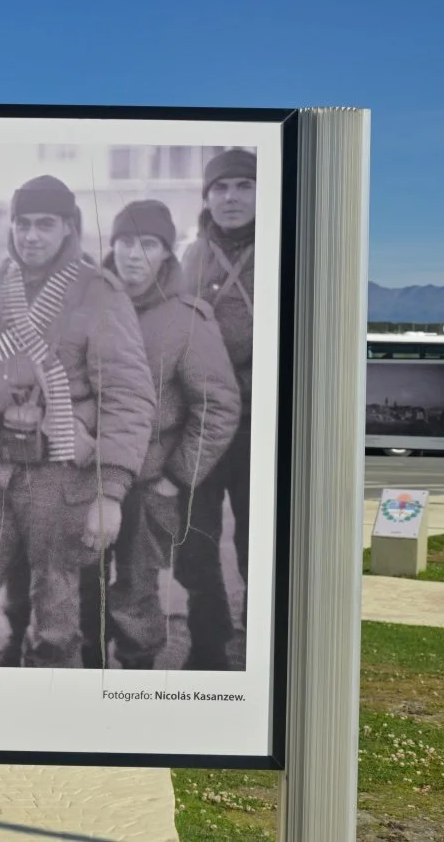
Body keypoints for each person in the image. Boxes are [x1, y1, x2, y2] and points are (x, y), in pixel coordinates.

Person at [0, 175, 157, 669]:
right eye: (22, 224)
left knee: (56, 627)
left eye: (44, 225)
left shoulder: (98, 292)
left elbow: (129, 396)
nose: (31, 235)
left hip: (60, 475)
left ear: (67, 228)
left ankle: (44, 730)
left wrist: (111, 492)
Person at [77, 199, 242, 669]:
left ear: (167, 253)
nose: (133, 254)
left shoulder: (185, 320)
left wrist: (176, 476)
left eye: (147, 244)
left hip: (149, 484)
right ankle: (85, 675)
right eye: (125, 242)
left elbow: (218, 405)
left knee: (136, 588)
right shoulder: (89, 304)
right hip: (85, 475)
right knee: (80, 584)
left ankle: (137, 677)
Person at [177, 147, 258, 669]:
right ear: (206, 197)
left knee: (259, 543)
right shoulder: (189, 256)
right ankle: (209, 645)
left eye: (243, 186)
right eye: (220, 188)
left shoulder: (288, 249)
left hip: (261, 424)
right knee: (193, 542)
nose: (230, 198)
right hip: (202, 421)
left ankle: (258, 651)